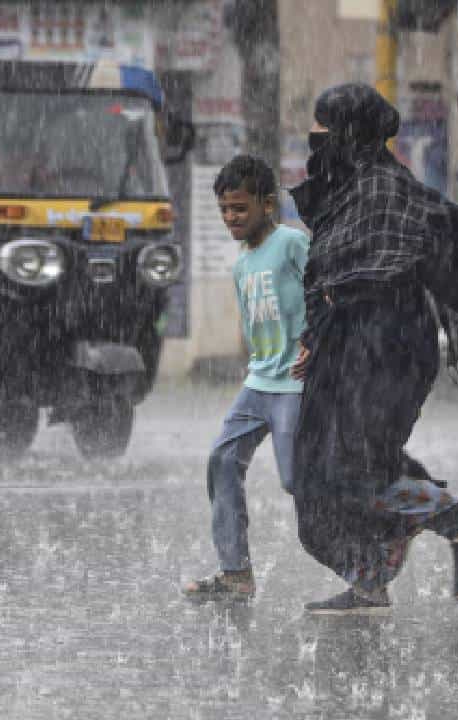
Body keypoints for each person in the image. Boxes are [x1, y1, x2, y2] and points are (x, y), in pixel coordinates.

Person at [289, 84, 458, 615]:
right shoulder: (345, 192)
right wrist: (314, 337)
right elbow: (326, 278)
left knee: (354, 470)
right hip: (347, 347)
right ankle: (368, 578)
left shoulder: (384, 190)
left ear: (349, 131)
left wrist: (340, 308)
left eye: (325, 126)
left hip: (385, 349)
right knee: (315, 472)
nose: (316, 136)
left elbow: (378, 269)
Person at [183, 155, 310, 601]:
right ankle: (236, 574)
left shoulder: (292, 244)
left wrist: (316, 342)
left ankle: (372, 545)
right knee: (222, 461)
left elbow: (325, 292)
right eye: (224, 210)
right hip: (258, 383)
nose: (230, 218)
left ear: (267, 205)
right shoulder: (241, 264)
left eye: (239, 208)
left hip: (295, 384)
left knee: (296, 480)